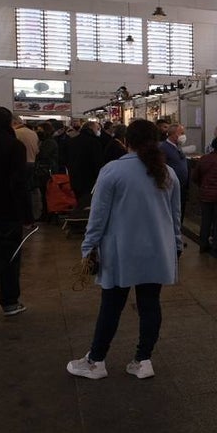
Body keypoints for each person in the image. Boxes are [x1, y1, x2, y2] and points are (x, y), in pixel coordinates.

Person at [66, 119, 182, 380]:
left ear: (127, 141)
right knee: (150, 304)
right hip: (158, 251)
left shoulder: (112, 171)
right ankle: (143, 361)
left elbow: (97, 217)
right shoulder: (167, 172)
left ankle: (96, 361)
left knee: (111, 306)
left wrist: (88, 248)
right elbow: (176, 217)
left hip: (121, 252)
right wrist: (175, 246)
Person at [0, 106, 31, 317]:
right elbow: (18, 183)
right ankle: (9, 301)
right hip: (6, 210)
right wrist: (27, 215)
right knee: (8, 257)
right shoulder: (13, 145)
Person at [66, 120, 105, 208]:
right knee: (89, 204)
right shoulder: (94, 142)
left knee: (80, 202)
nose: (98, 131)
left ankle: (78, 218)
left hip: (75, 178)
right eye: (97, 128)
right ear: (91, 129)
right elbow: (97, 162)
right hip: (89, 179)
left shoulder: (72, 141)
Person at [159, 125, 189, 222]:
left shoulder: (177, 147)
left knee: (179, 210)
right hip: (170, 186)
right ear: (173, 135)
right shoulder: (163, 148)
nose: (183, 136)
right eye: (181, 133)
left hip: (181, 185)